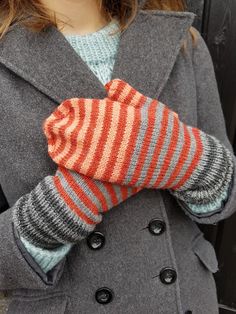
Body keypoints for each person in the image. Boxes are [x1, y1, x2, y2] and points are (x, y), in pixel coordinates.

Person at [0, 0, 235, 313]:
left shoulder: (184, 42)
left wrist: (186, 160)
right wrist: (67, 205)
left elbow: (227, 195)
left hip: (185, 299)